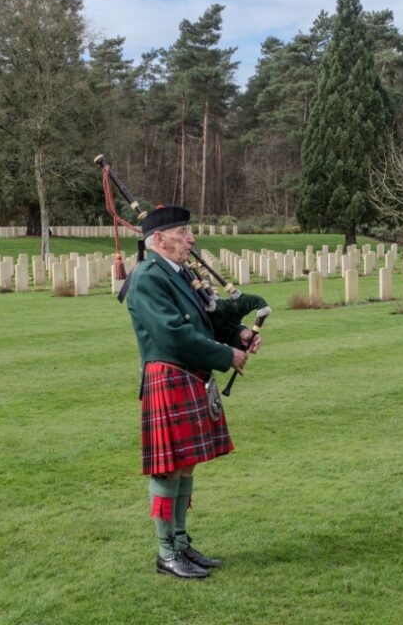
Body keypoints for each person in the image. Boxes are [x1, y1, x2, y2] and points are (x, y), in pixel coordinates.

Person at [125, 205, 262, 579]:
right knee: (169, 469)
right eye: (182, 232)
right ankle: (167, 552)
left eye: (188, 232)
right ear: (158, 239)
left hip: (189, 375)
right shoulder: (148, 277)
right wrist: (226, 355)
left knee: (185, 464)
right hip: (169, 376)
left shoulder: (182, 274)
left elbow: (206, 321)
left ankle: (182, 544)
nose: (191, 239)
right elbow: (174, 334)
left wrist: (239, 335)